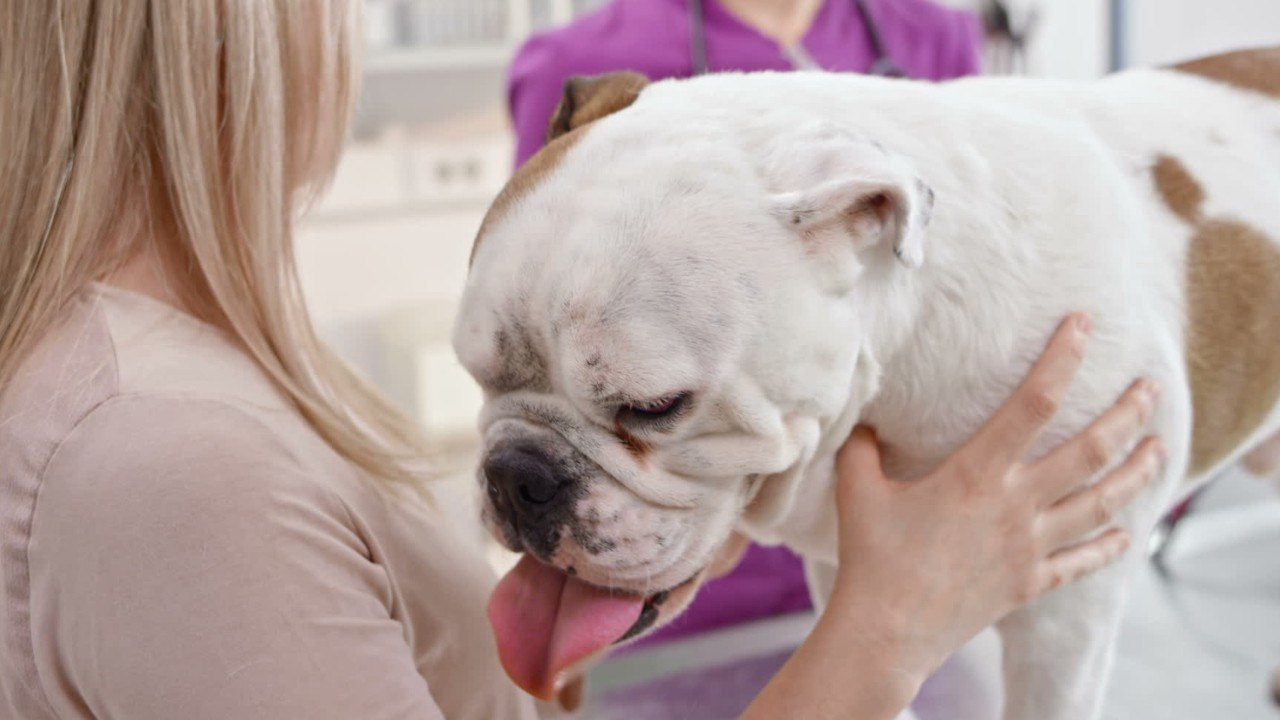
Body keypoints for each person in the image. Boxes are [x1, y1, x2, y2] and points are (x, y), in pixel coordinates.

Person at [0, 2, 1160, 719]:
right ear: (227, 35)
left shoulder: (187, 370)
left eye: (643, 403)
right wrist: (890, 624)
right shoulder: (170, 459)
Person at [507, 0, 988, 642]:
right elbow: (543, 334)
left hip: (910, 585)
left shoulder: (932, 35)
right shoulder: (580, 60)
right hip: (689, 606)